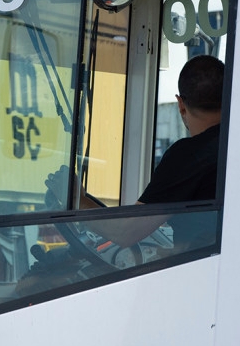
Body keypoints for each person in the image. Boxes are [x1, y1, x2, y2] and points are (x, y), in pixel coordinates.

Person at [48, 55, 223, 251]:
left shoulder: (189, 156)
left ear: (180, 104)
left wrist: (77, 199)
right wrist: (169, 253)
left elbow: (125, 232)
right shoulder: (232, 149)